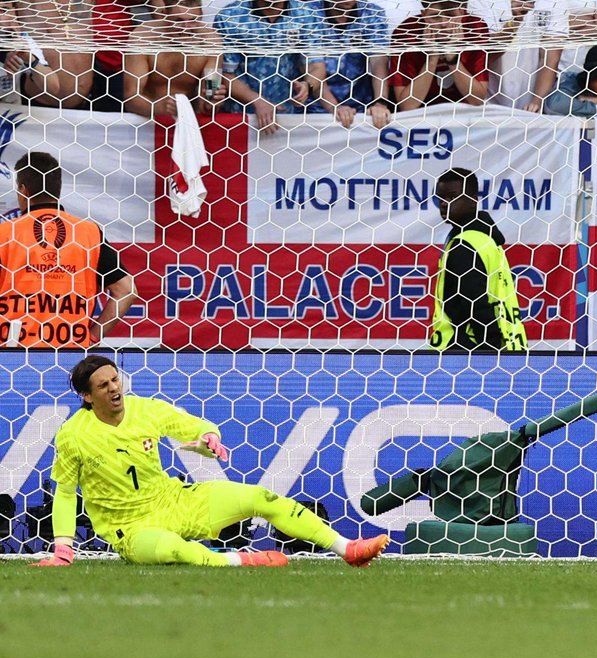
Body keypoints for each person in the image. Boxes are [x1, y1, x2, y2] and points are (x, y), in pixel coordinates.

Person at [33, 355, 391, 567]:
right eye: (103, 385)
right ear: (86, 396)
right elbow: (65, 492)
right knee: (177, 551)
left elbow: (193, 425)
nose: (114, 389)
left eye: (116, 379)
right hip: (130, 529)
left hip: (174, 500)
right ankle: (241, 561)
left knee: (260, 498)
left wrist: (209, 437)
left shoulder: (146, 409)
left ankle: (348, 549)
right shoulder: (73, 434)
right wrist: (63, 547)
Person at [0, 152, 136, 349]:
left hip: (12, 353)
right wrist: (93, 337)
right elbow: (127, 291)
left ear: (23, 190)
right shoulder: (89, 233)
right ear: (58, 189)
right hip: (71, 353)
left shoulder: (5, 233)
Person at [430, 167, 528, 352]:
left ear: (473, 201)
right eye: (440, 198)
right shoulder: (487, 240)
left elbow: (476, 303)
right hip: (508, 346)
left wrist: (488, 353)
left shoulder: (464, 245)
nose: (443, 204)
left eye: (451, 197)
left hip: (469, 353)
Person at [214, 0, 331, 135]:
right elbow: (224, 73)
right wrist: (257, 101)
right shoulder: (231, 16)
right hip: (240, 119)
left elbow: (316, 66)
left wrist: (307, 87)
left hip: (288, 119)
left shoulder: (306, 14)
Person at [123, 0, 227, 119]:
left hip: (188, 120)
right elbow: (130, 98)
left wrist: (211, 102)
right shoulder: (142, 38)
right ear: (164, 14)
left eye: (193, 20)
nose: (186, 28)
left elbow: (209, 97)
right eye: (179, 21)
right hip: (145, 120)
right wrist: (158, 107)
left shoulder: (211, 41)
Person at [389, 0, 490, 111]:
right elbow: (407, 105)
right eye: (435, 17)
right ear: (424, 14)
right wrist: (432, 58)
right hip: (420, 115)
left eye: (450, 15)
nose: (443, 24)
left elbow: (476, 100)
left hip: (464, 113)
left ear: (462, 13)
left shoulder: (475, 28)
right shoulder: (406, 32)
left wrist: (453, 59)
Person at [312, 0, 394, 129]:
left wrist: (380, 102)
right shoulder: (309, 13)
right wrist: (334, 107)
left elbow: (379, 62)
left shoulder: (372, 14)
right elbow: (312, 66)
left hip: (361, 106)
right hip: (314, 109)